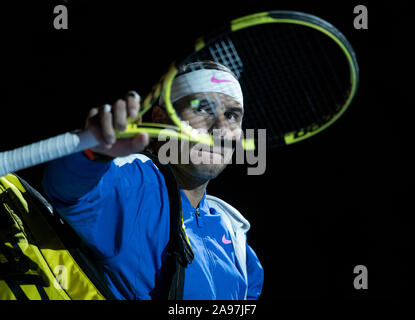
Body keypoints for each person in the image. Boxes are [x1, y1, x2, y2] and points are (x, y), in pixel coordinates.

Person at [42, 61, 264, 300]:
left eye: (231, 115)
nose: (220, 128)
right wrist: (91, 155)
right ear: (160, 118)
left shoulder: (235, 235)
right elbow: (67, 189)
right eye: (202, 108)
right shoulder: (135, 186)